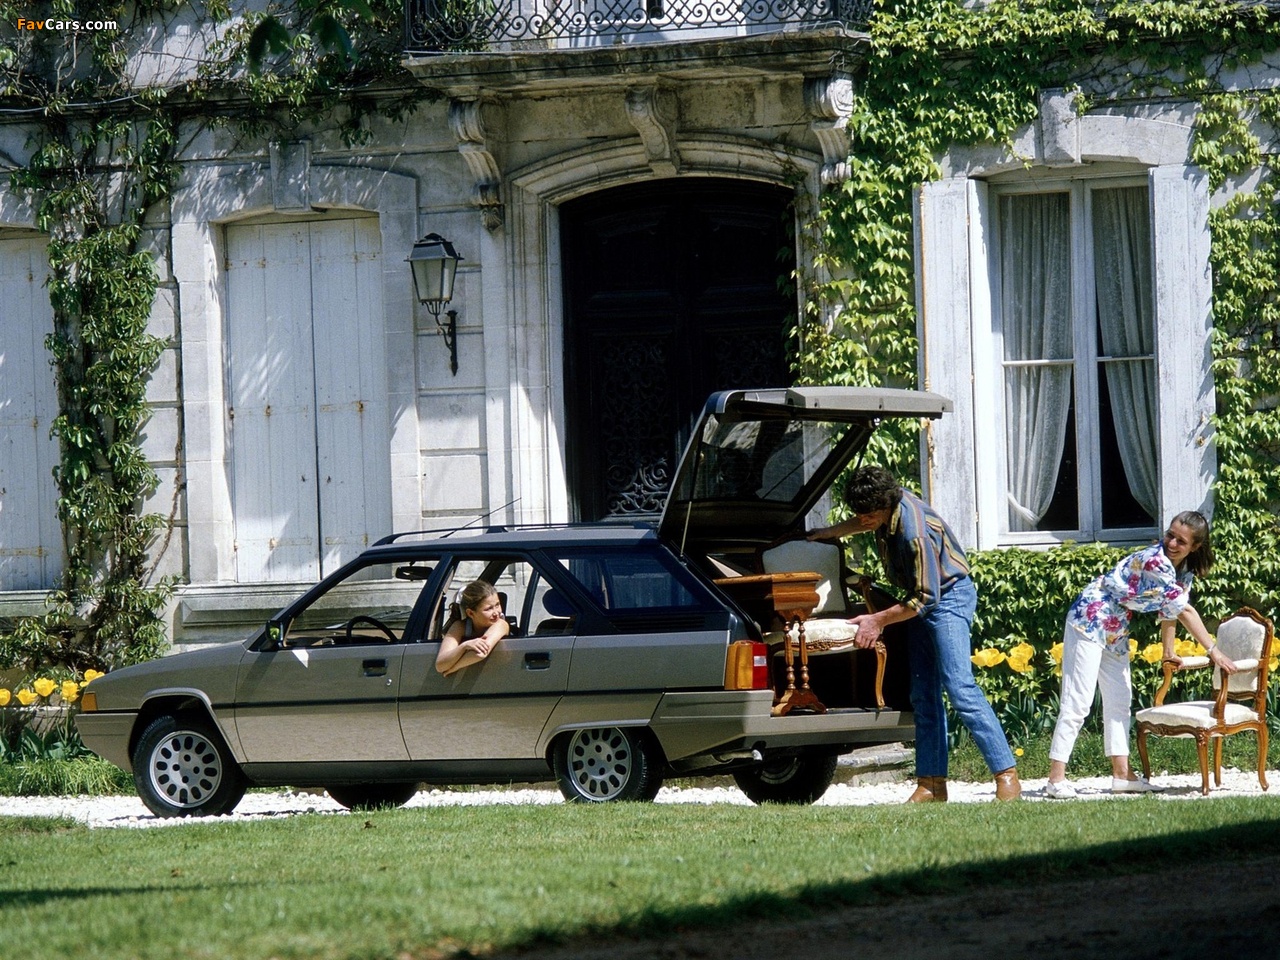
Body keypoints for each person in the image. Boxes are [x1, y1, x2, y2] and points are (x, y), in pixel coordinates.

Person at [809, 466, 1021, 802]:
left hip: (946, 599)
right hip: (918, 599)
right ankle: (931, 784)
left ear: (885, 506)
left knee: (960, 688)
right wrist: (826, 532)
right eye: (858, 515)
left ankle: (1006, 776)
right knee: (923, 694)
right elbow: (864, 521)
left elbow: (926, 597)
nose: (862, 521)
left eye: (867, 515)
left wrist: (876, 620)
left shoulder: (914, 532)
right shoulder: (885, 506)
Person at [1044, 510, 1235, 798]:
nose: (1171, 542)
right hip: (1090, 617)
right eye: (1170, 534)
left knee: (1120, 701)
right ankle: (1055, 779)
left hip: (1116, 625)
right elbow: (1184, 611)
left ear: (1194, 547)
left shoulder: (1183, 571)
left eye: (1180, 541)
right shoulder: (1156, 562)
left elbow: (1169, 611)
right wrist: (1214, 651)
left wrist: (1168, 651)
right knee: (1078, 701)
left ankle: (1122, 776)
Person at [435, 579, 510, 676]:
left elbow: (481, 653)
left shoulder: (501, 624)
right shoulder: (460, 626)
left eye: (497, 605)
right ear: (470, 613)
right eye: (489, 609)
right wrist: (464, 646)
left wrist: (453, 668)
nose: (496, 613)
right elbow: (440, 665)